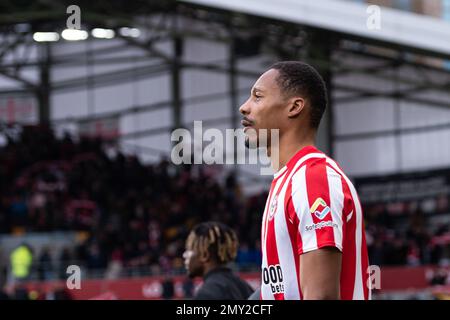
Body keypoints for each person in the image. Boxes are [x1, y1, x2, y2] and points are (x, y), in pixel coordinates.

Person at [239, 61, 370, 300]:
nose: (244, 108)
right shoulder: (287, 181)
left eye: (257, 97)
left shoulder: (313, 178)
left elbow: (320, 297)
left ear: (294, 107)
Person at [183, 222, 254, 300]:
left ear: (204, 255)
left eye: (189, 250)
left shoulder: (208, 292)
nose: (184, 255)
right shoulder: (245, 287)